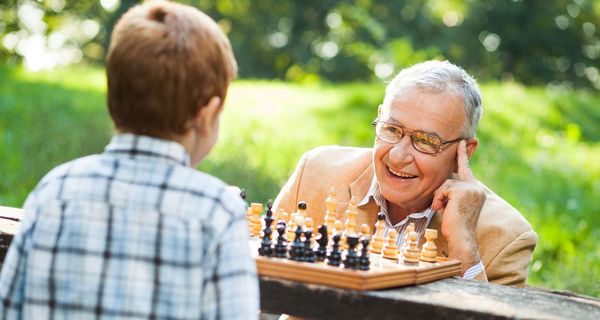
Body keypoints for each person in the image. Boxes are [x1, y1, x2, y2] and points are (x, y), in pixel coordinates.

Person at [0, 1, 259, 319]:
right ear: (206, 116)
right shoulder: (217, 213)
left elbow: (10, 309)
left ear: (113, 96)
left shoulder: (53, 191)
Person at [274, 60, 537, 286]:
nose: (398, 156)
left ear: (465, 152)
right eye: (392, 130)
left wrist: (464, 244)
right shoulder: (316, 172)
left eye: (425, 141)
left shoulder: (507, 239)